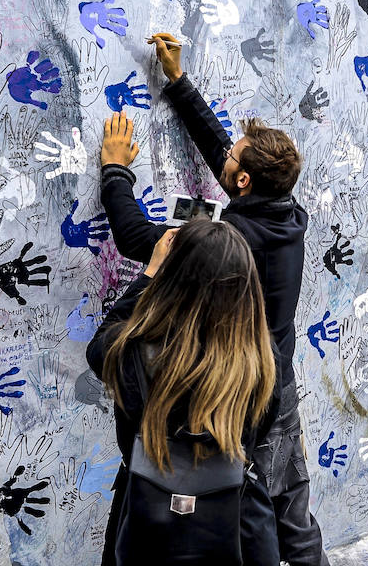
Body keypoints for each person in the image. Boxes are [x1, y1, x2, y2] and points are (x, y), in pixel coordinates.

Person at [97, 31, 328, 565]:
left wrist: (115, 171)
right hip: (274, 388)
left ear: (242, 181)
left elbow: (137, 237)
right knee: (292, 520)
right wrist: (178, 82)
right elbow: (225, 152)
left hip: (237, 393)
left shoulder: (230, 244)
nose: (227, 157)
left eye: (236, 162)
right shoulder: (284, 214)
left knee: (244, 513)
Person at [85, 219, 276, 564]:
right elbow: (261, 426)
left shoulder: (132, 353)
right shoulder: (261, 363)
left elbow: (101, 344)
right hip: (230, 529)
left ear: (173, 284)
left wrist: (150, 273)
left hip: (146, 520)